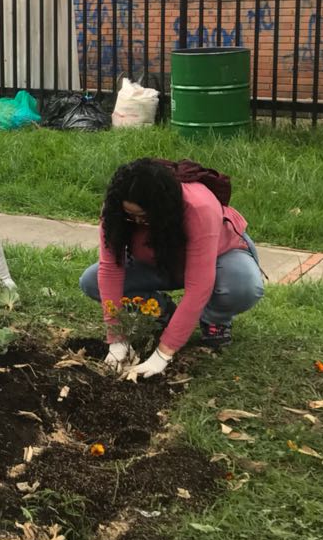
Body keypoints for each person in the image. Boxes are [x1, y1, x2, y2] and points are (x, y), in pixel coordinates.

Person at [80, 158, 265, 380]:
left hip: (218, 259)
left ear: (162, 208)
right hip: (158, 262)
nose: (137, 221)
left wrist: (162, 354)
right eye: (131, 215)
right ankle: (161, 311)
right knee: (91, 282)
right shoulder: (115, 209)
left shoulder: (199, 208)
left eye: (144, 216)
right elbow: (111, 269)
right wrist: (117, 339)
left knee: (243, 285)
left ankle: (214, 319)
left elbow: (199, 285)